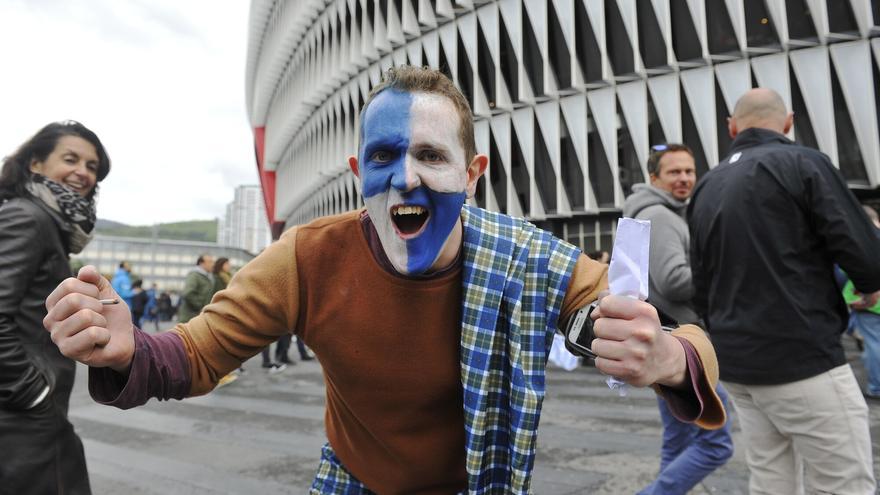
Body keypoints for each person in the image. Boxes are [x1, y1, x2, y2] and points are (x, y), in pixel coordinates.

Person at [44, 66, 725, 493]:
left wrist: (665, 354)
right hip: (352, 479)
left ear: (473, 173)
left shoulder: (521, 254)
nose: (406, 176)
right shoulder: (306, 257)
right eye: (384, 155)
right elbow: (195, 352)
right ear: (358, 172)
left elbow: (637, 321)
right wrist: (128, 349)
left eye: (430, 154)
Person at [689, 88, 880, 494]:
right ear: (789, 122)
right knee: (844, 484)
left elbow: (700, 285)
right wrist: (870, 286)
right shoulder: (802, 163)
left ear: (732, 127)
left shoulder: (708, 185)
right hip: (801, 356)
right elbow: (862, 250)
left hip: (738, 364)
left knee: (771, 479)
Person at [0, 120, 111, 495]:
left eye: (92, 166)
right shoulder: (27, 217)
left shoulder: (46, 221)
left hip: (31, 413)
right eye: (71, 159)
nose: (82, 172)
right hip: (21, 414)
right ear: (36, 164)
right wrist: (31, 391)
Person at [622, 143, 733, 495]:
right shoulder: (662, 215)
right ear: (654, 178)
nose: (684, 178)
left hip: (666, 340)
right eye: (674, 172)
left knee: (678, 440)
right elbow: (673, 280)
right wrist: (719, 268)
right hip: (683, 347)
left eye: (689, 171)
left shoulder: (651, 213)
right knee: (717, 444)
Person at [841, 205, 880, 401]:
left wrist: (854, 300)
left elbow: (854, 276)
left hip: (870, 305)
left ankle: (876, 386)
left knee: (873, 345)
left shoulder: (863, 241)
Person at [176, 254, 214, 323]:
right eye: (210, 262)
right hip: (190, 317)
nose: (212, 264)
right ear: (201, 263)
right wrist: (200, 306)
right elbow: (188, 293)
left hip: (198, 317)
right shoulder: (194, 275)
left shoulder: (208, 277)